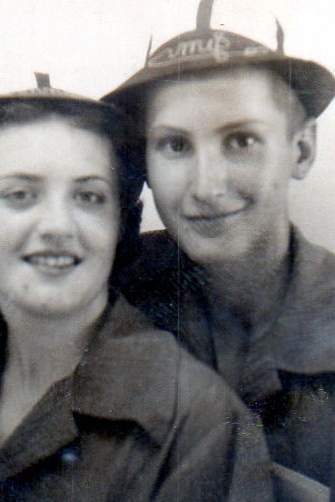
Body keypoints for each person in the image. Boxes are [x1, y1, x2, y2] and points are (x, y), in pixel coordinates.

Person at [0, 76, 273, 500]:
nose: (58, 226)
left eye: (88, 197)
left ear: (118, 225)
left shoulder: (196, 421)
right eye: (20, 194)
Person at [105, 0, 335, 499]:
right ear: (143, 162)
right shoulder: (101, 297)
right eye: (175, 146)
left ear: (301, 150)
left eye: (241, 141)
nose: (206, 187)